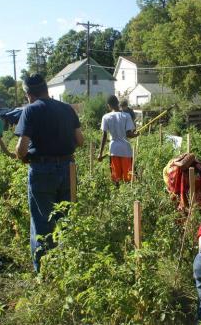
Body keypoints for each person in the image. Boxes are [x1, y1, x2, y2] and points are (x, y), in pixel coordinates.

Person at [15, 74, 84, 272]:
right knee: (66, 220)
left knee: (42, 222)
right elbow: (80, 141)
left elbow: (21, 149)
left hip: (42, 171)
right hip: (68, 168)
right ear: (46, 89)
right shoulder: (66, 109)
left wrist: (24, 155)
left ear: (29, 94)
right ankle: (68, 267)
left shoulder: (30, 110)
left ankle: (44, 273)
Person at [98, 95, 137, 184]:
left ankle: (117, 192)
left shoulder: (106, 117)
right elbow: (129, 134)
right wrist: (135, 135)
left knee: (116, 178)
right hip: (126, 150)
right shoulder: (126, 116)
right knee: (128, 178)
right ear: (118, 103)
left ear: (109, 105)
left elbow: (104, 136)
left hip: (113, 150)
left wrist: (100, 154)